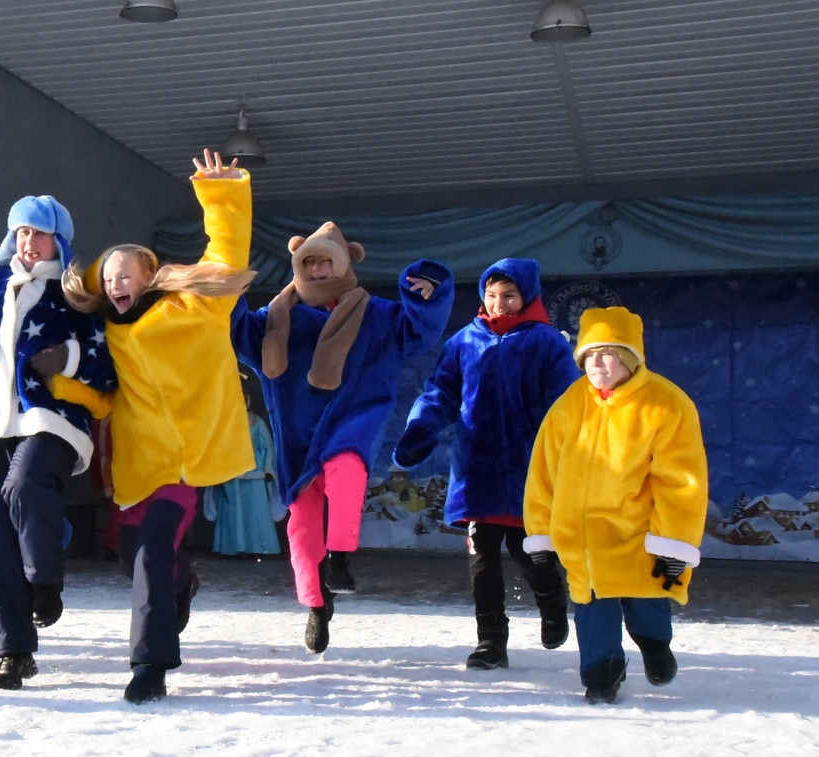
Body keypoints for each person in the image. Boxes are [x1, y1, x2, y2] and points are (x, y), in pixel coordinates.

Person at [44, 150, 256, 704]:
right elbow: (106, 400)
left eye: (127, 275)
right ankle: (182, 586)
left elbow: (227, 253)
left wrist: (222, 192)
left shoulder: (193, 307)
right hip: (137, 465)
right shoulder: (108, 336)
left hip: (185, 460)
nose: (117, 283)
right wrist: (59, 383)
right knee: (134, 556)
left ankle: (149, 665)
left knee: (150, 553)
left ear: (149, 275)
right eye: (109, 276)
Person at [231, 222, 454, 654]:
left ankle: (341, 558)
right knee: (302, 520)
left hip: (356, 410)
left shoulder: (377, 315)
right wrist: (224, 290)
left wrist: (428, 296)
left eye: (326, 261)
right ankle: (316, 605)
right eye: (308, 262)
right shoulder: (274, 318)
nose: (316, 270)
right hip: (298, 426)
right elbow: (236, 328)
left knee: (347, 465)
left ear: (345, 263)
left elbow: (418, 331)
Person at [0, 194, 114, 691]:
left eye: (38, 233)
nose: (27, 242)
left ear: (57, 239)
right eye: (20, 232)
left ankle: (44, 578)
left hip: (49, 416)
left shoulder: (76, 289)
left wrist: (65, 355)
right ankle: (11, 652)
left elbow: (105, 357)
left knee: (22, 484)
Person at [393, 258, 580, 670]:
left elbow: (569, 404)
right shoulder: (464, 341)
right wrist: (421, 428)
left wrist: (571, 453)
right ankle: (490, 642)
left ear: (527, 295)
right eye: (492, 296)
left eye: (509, 295)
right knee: (482, 559)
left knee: (530, 551)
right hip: (477, 467)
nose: (499, 304)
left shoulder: (547, 344)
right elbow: (440, 391)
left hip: (528, 470)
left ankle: (551, 600)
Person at [524, 306, 708, 704]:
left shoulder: (666, 405)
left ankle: (655, 645)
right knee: (592, 607)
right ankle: (602, 674)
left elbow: (682, 482)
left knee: (646, 602)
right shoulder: (568, 405)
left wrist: (673, 542)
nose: (597, 364)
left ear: (630, 357)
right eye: (589, 355)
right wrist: (540, 533)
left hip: (638, 537)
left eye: (607, 353)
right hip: (583, 540)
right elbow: (543, 473)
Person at [203, 399, 285, 557]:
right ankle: (232, 547)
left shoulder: (257, 422)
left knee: (256, 512)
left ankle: (261, 548)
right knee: (233, 513)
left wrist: (268, 469)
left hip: (255, 476)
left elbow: (267, 445)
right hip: (231, 476)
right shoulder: (225, 423)